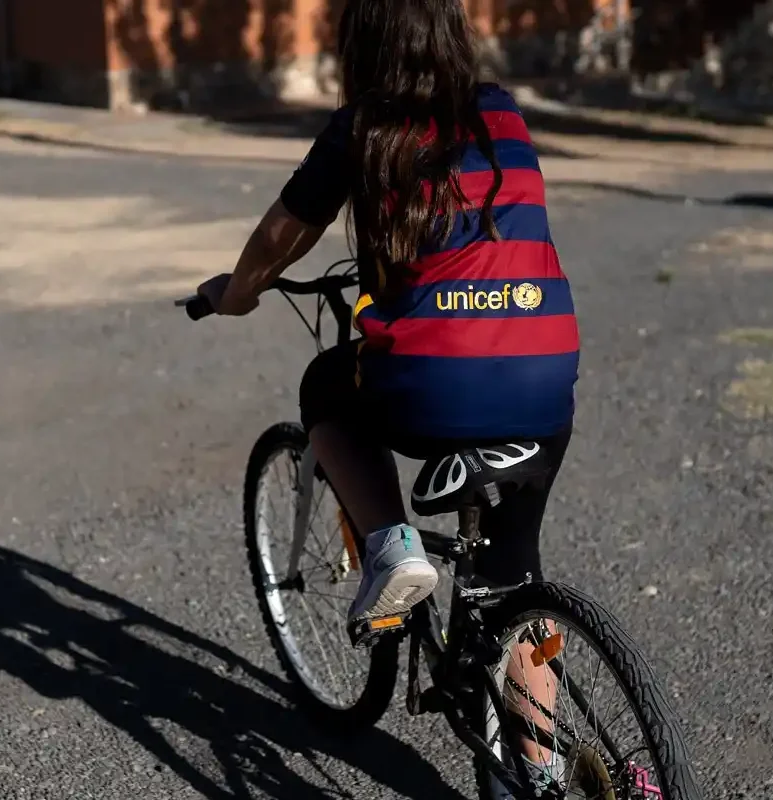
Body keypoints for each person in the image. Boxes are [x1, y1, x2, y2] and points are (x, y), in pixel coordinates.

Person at [191, 1, 578, 790]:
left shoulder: (363, 130)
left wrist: (233, 294)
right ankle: (530, 775)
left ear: (360, 41)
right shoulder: (501, 113)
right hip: (543, 370)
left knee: (325, 385)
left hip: (432, 383)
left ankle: (389, 548)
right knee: (511, 578)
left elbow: (281, 235)